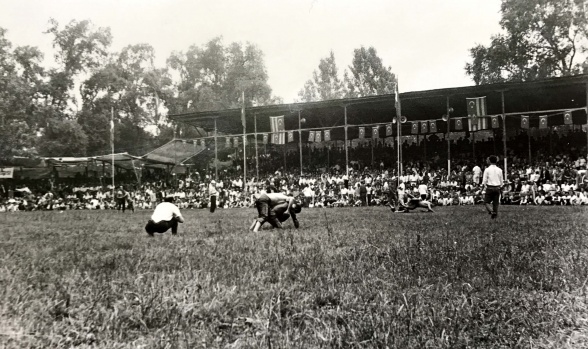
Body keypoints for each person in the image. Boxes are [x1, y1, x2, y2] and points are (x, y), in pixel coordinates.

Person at [482, 155, 504, 219]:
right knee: (495, 204)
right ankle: (494, 218)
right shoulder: (499, 170)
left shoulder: (487, 170)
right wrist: (501, 187)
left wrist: (484, 187)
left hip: (490, 187)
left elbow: (484, 180)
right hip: (497, 187)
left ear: (489, 161)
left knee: (486, 202)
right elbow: (501, 180)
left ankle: (491, 211)